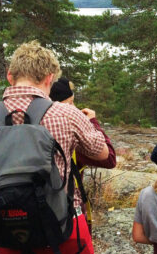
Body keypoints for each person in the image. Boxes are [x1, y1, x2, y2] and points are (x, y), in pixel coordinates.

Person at [0, 41, 109, 254]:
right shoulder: (66, 114)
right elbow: (102, 153)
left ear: (10, 76)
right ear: (49, 78)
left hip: (9, 235)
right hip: (65, 232)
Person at [49, 77, 117, 230]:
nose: (74, 108)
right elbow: (109, 159)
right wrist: (92, 123)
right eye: (70, 103)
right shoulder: (69, 133)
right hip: (68, 211)